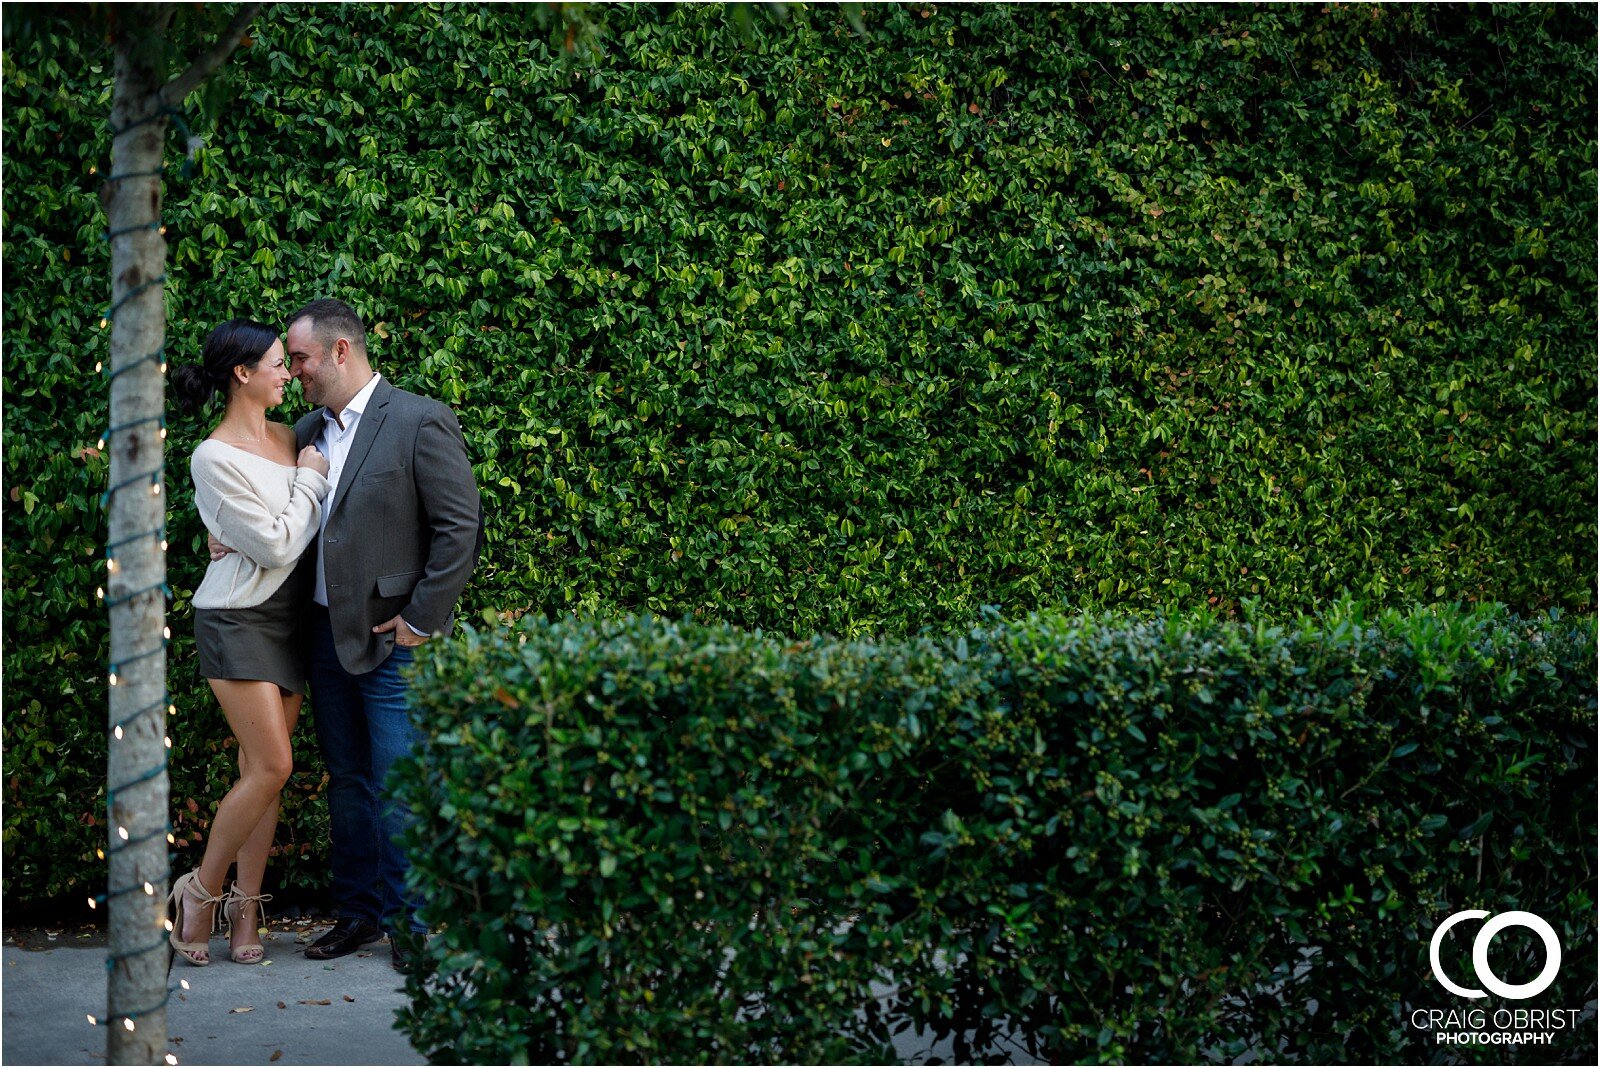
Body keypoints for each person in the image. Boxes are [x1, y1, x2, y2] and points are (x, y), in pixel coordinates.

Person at [215, 298, 481, 972]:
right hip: (323, 638)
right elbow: (250, 491)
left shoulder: (419, 420)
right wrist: (218, 529)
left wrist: (422, 620)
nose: (292, 370)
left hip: (397, 641)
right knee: (349, 783)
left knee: (398, 782)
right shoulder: (302, 428)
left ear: (341, 352)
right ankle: (359, 915)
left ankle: (414, 925)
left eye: (300, 358)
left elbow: (459, 529)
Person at [168, 319, 332, 966]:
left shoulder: (294, 437)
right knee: (274, 765)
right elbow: (276, 542)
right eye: (276, 363)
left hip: (289, 619)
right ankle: (200, 893)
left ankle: (246, 910)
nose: (287, 373)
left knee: (258, 776)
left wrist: (286, 504)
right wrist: (309, 484)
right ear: (243, 374)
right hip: (236, 618)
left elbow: (285, 537)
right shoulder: (210, 456)